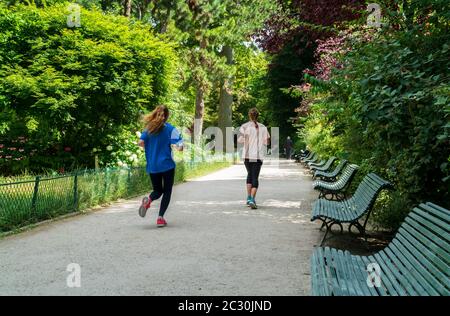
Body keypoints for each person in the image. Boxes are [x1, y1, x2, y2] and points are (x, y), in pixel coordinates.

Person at [137, 105, 183, 227]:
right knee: (167, 192)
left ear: (155, 114)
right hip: (167, 165)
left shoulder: (148, 129)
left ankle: (148, 201)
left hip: (153, 166)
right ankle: (160, 218)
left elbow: (140, 143)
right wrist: (178, 147)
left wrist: (150, 145)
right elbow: (180, 145)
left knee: (157, 190)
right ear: (166, 116)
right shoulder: (170, 129)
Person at [238, 108, 270, 209]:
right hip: (257, 156)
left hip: (247, 155)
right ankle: (252, 199)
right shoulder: (263, 127)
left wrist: (246, 139)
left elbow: (239, 140)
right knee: (255, 177)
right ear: (258, 116)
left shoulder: (244, 126)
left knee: (250, 175)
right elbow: (267, 142)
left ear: (249, 115)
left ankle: (248, 198)